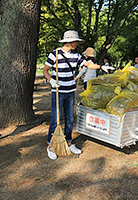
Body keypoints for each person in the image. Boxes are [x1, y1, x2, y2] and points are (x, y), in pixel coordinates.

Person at [43, 30, 114, 160]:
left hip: (70, 91)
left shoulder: (76, 55)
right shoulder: (55, 54)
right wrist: (51, 80)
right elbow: (45, 70)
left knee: (70, 119)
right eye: (76, 41)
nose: (77, 43)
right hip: (58, 92)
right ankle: (50, 146)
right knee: (55, 120)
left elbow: (87, 64)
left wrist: (100, 67)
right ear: (69, 41)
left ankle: (69, 142)